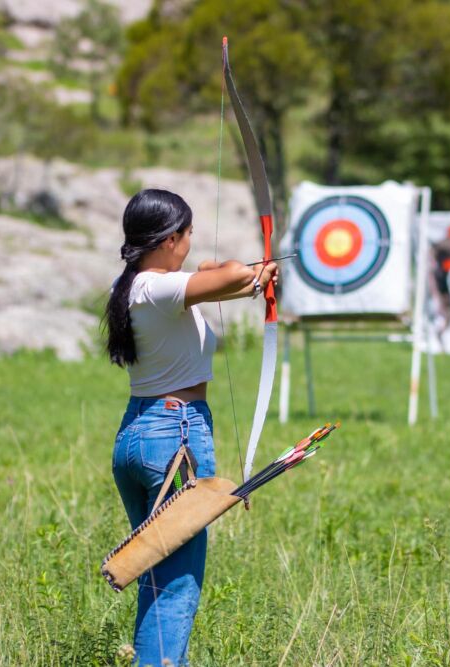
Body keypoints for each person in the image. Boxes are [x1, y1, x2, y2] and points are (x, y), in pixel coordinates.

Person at [104, 189, 278, 666]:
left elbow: (227, 286)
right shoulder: (156, 288)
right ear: (169, 239)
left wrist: (253, 280)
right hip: (175, 437)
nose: (190, 242)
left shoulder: (134, 286)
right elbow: (233, 276)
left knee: (158, 574)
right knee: (176, 584)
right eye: (187, 234)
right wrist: (237, 270)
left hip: (140, 434)